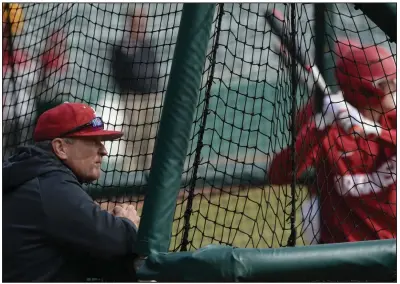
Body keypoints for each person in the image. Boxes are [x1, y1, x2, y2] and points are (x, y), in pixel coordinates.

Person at [268, 44, 396, 244]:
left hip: (392, 245)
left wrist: (378, 132)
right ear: (368, 89)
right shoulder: (329, 129)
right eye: (389, 82)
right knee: (312, 208)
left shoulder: (393, 119)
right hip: (343, 250)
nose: (396, 87)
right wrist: (320, 126)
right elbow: (278, 174)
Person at [3, 102, 141, 282]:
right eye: (93, 141)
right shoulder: (51, 185)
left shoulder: (31, 175)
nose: (104, 151)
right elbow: (116, 240)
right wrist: (128, 223)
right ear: (61, 148)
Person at [109, 7, 160, 173]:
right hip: (132, 98)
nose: (141, 24)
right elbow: (118, 72)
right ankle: (131, 175)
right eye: (137, 20)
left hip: (151, 97)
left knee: (151, 138)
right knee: (134, 137)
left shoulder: (147, 45)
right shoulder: (122, 47)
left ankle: (149, 172)